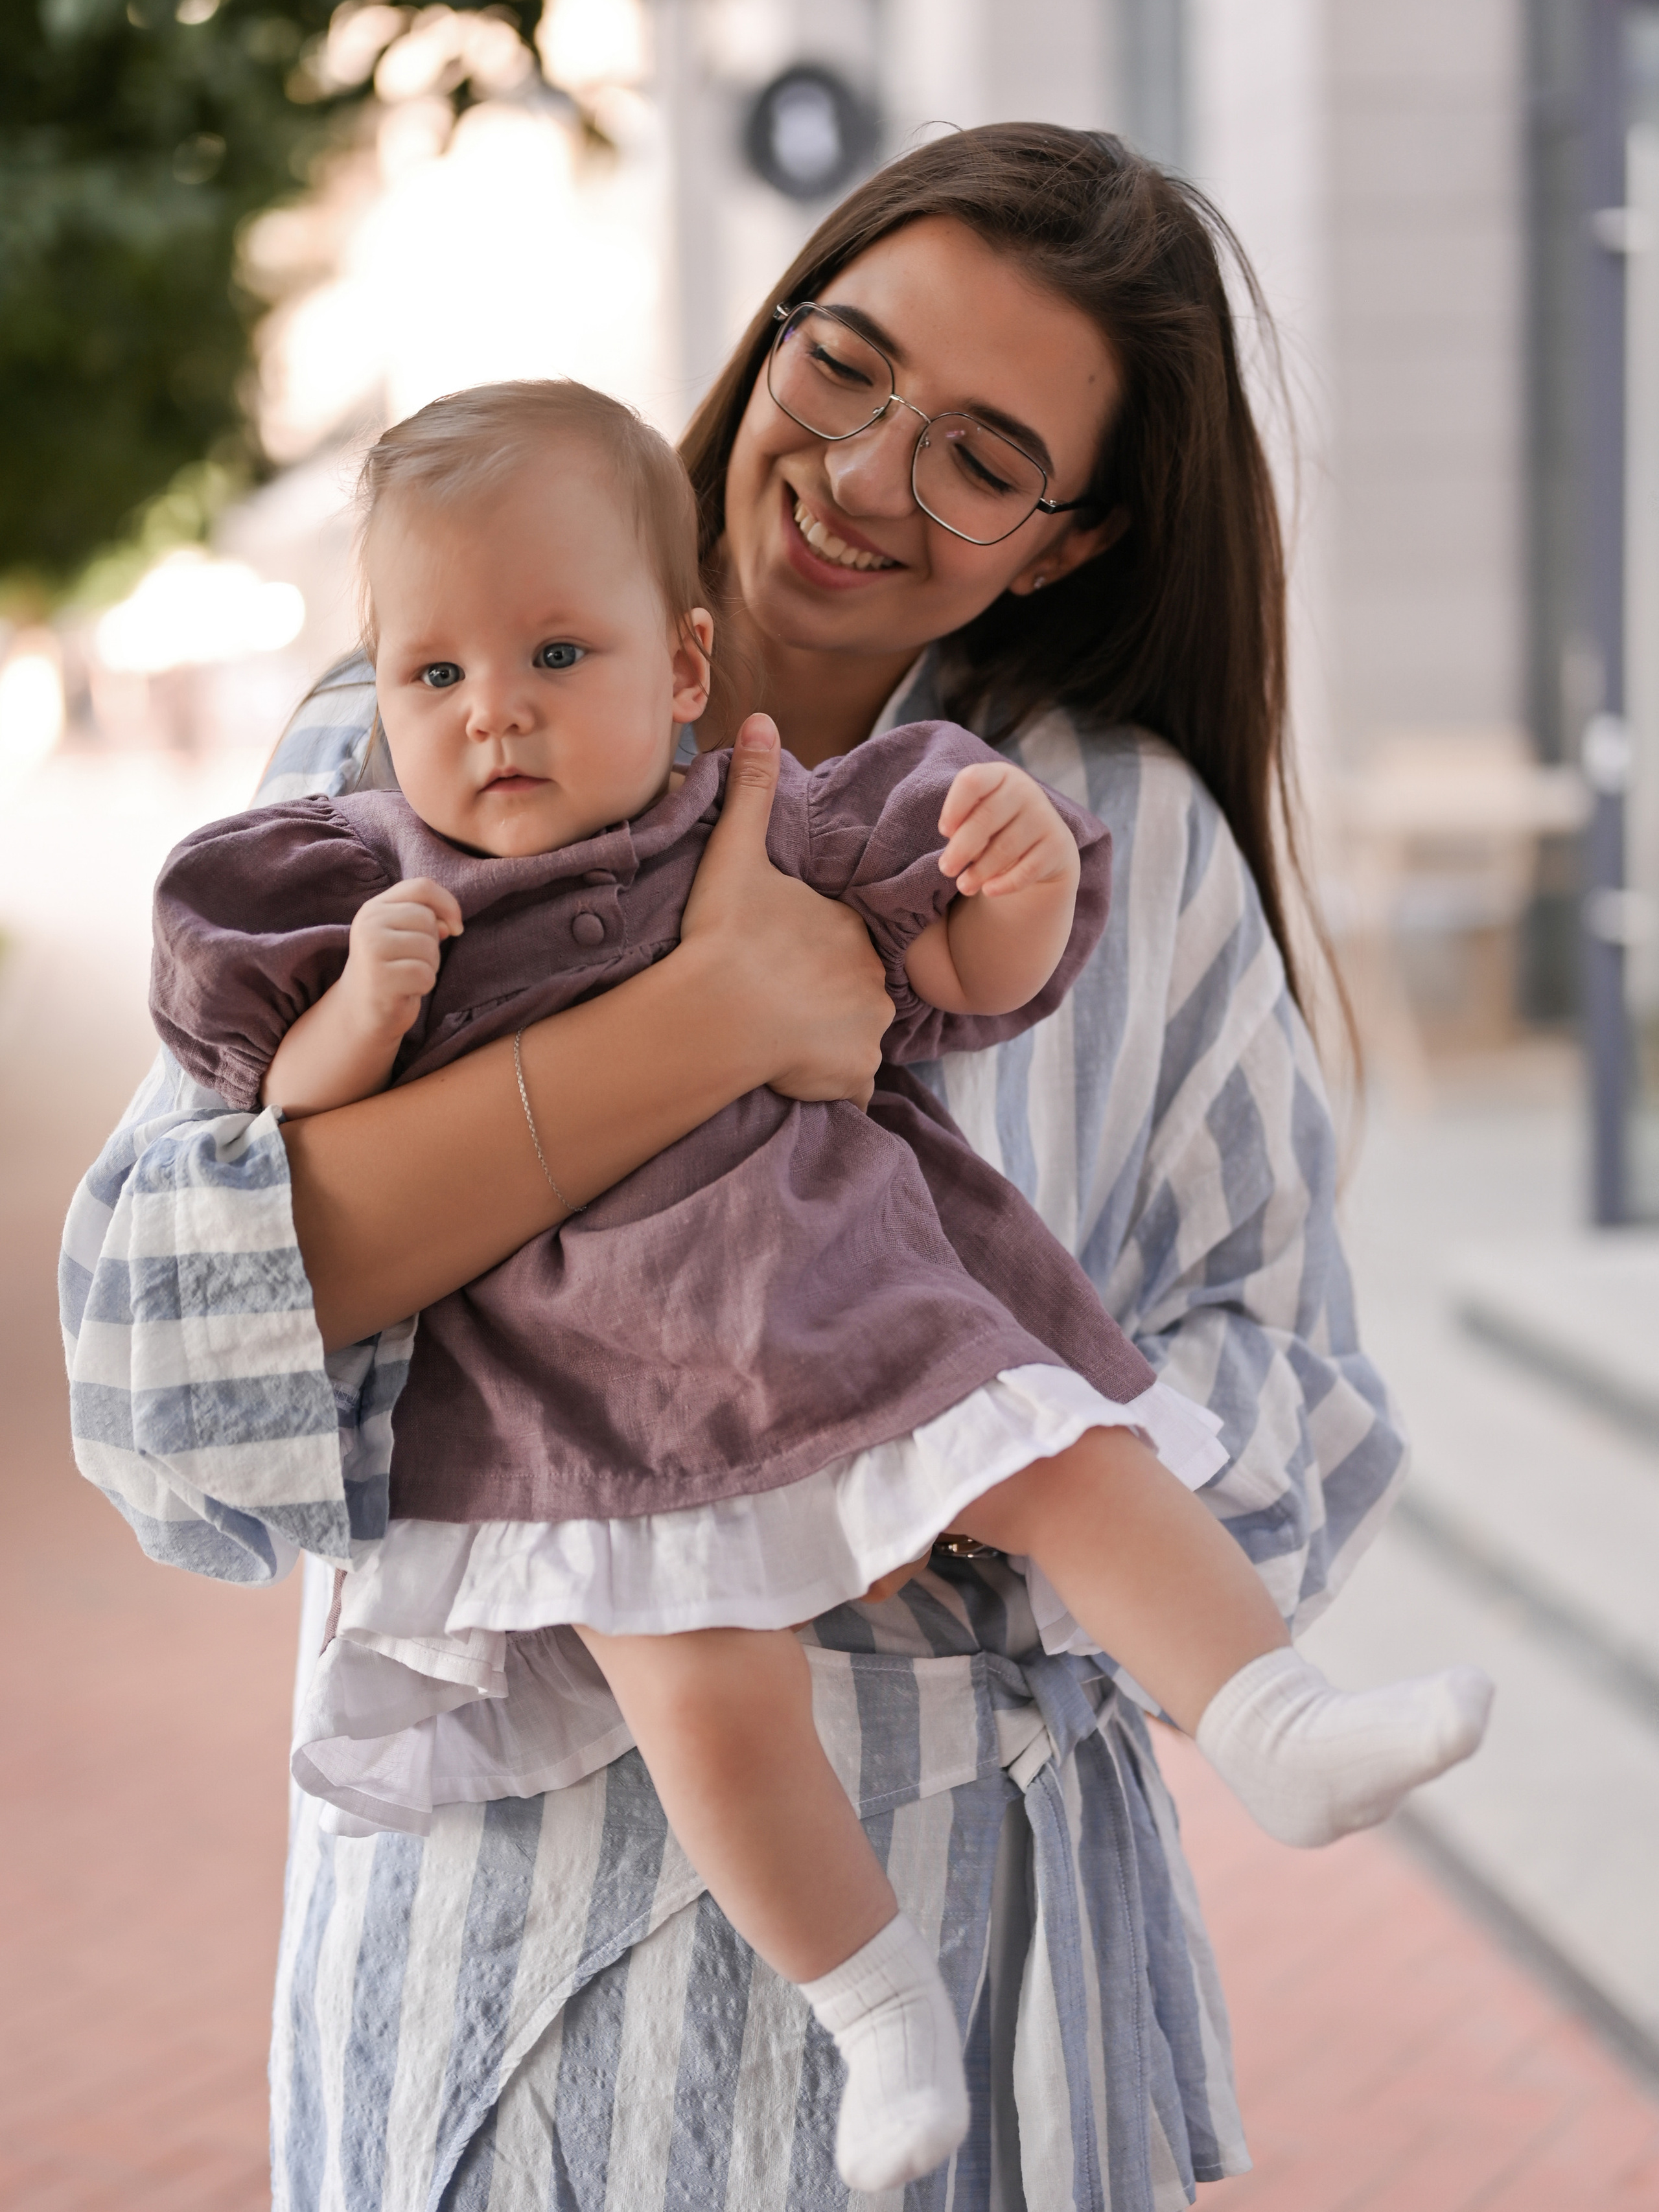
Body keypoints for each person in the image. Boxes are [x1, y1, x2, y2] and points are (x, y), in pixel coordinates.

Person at [66, 124, 1417, 2211]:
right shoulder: (382, 756)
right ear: (773, 335)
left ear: (1065, 541)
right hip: (503, 1993)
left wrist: (944, 1484)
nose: (871, 470)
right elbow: (163, 1362)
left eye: (983, 454)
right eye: (848, 366)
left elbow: (1301, 1394)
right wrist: (707, 1022)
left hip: (995, 1989)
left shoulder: (1096, 843)